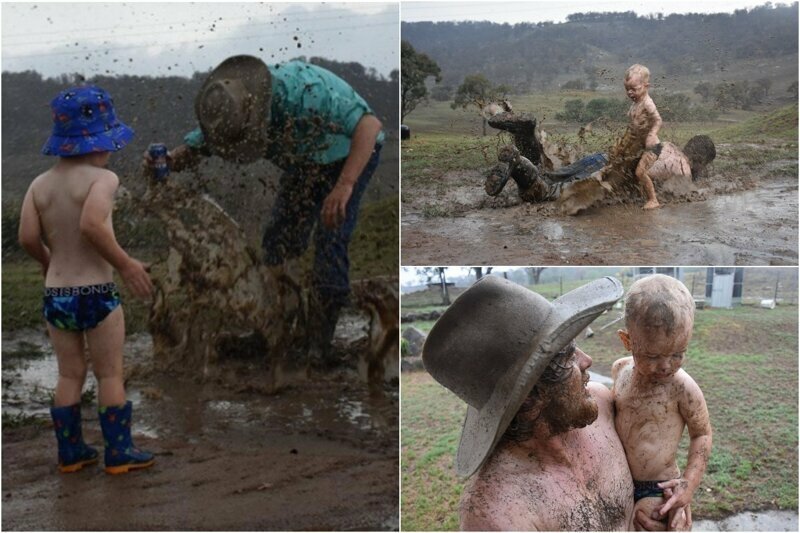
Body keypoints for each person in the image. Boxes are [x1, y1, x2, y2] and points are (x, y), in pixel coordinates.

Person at [145, 55, 385, 362]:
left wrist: (344, 185)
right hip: (304, 163)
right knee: (278, 240)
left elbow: (369, 125)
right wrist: (165, 163)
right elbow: (193, 150)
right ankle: (277, 332)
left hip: (348, 155)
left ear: (257, 110)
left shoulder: (303, 91)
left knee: (331, 239)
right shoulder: (228, 110)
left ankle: (319, 346)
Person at [422, 276, 684, 530]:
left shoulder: (604, 404)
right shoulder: (495, 515)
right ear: (529, 400)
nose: (587, 360)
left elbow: (654, 457)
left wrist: (672, 502)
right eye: (567, 356)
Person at [19, 85, 155, 474]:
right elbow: (92, 225)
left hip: (57, 294)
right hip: (96, 292)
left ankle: (71, 454)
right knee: (110, 372)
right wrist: (127, 265)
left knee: (68, 373)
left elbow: (27, 237)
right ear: (99, 143)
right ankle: (118, 453)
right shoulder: (103, 179)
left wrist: (48, 261)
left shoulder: (38, 185)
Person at [613, 274, 713, 530]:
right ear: (627, 341)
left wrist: (687, 486)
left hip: (657, 487)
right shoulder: (619, 371)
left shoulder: (682, 387)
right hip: (617, 481)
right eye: (653, 355)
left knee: (647, 524)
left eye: (678, 354)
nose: (666, 366)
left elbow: (701, 434)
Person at [623, 64, 665, 210]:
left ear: (646, 86)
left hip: (652, 147)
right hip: (639, 145)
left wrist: (652, 134)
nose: (629, 93)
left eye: (634, 89)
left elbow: (658, 120)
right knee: (629, 168)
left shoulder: (647, 103)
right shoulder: (635, 105)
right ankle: (639, 193)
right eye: (627, 89)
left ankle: (653, 200)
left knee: (640, 172)